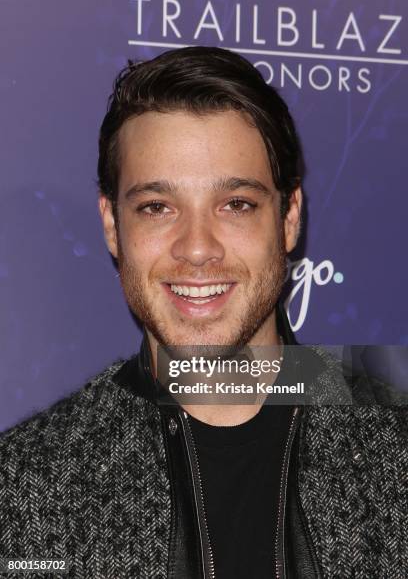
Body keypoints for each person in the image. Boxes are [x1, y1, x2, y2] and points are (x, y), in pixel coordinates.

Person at [0, 46, 406, 579]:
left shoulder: (394, 454)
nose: (196, 248)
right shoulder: (24, 487)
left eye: (236, 204)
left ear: (289, 219)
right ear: (110, 224)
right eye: (157, 207)